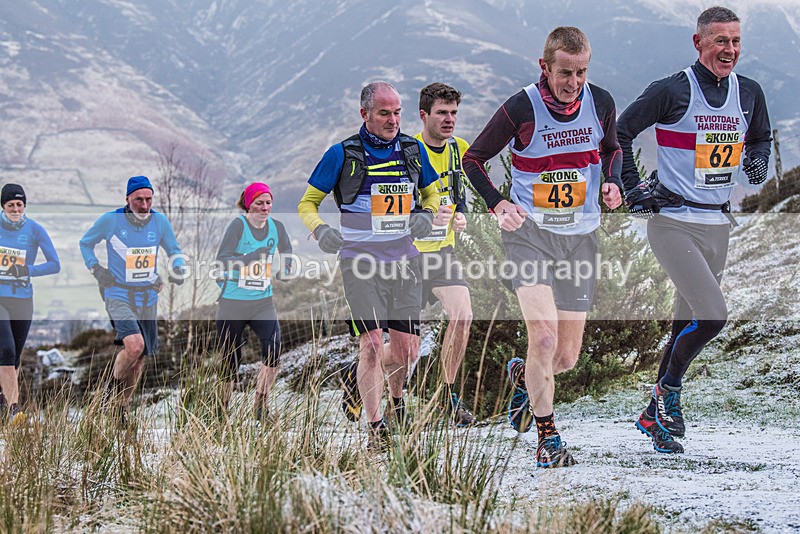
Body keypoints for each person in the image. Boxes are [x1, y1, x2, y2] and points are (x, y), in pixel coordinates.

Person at [463, 27, 623, 468]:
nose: (573, 82)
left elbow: (612, 149)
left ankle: (521, 373)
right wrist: (497, 204)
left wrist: (613, 182)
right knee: (545, 337)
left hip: (581, 238)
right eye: (565, 72)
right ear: (544, 66)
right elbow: (472, 160)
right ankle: (547, 439)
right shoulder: (521, 108)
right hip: (529, 235)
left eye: (582, 72)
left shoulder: (602, 102)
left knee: (565, 357)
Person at [617, 6, 771, 454]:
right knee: (714, 316)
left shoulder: (750, 92)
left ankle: (652, 417)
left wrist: (758, 162)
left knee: (685, 323)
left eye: (736, 41)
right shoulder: (673, 89)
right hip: (673, 222)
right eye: (720, 40)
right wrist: (633, 187)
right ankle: (668, 391)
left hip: (716, 223)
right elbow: (621, 130)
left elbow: (760, 136)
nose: (730, 50)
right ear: (698, 42)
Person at [298, 81, 440, 450]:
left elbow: (432, 191)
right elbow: (307, 204)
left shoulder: (412, 149)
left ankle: (394, 401)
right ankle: (376, 430)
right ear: (365, 114)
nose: (393, 120)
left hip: (405, 261)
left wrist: (426, 212)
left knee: (408, 349)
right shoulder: (342, 154)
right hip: (359, 263)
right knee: (373, 345)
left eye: (397, 112)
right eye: (384, 113)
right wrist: (321, 231)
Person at [79, 175, 185, 421]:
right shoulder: (111, 220)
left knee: (138, 360)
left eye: (149, 199)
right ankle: (109, 393)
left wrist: (178, 267)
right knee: (134, 346)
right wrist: (96, 269)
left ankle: (120, 407)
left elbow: (174, 250)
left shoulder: (159, 221)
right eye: (139, 199)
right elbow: (85, 243)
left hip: (147, 297)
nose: (145, 205)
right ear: (128, 198)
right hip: (117, 293)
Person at [412, 82, 476, 426]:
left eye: (453, 113)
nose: (449, 119)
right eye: (441, 113)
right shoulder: (407, 151)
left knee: (462, 316)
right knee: (401, 347)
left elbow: (459, 193)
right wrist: (420, 216)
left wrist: (462, 213)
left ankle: (446, 396)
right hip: (405, 256)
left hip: (442, 253)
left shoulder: (460, 149)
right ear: (424, 115)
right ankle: (356, 372)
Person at [215, 182, 292, 423]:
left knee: (274, 350)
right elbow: (222, 260)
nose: (265, 207)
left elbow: (286, 249)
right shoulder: (238, 226)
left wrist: (286, 269)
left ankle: (260, 404)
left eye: (268, 202)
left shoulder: (276, 227)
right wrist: (249, 258)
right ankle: (221, 411)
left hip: (262, 302)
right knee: (230, 360)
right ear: (249, 204)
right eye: (259, 203)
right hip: (232, 303)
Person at [0, 183, 60, 426]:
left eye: (19, 204)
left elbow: (55, 264)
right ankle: (14, 411)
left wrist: (27, 270)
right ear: (3, 207)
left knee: (13, 360)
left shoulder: (35, 229)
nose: (16, 209)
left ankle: (2, 406)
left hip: (23, 300)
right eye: (11, 205)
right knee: (6, 350)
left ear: (24, 206)